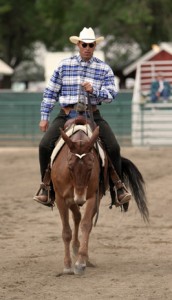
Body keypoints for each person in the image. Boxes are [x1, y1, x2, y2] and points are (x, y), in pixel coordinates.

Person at [33, 27, 131, 207]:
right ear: (78, 44)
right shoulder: (64, 65)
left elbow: (111, 95)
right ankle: (47, 188)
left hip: (92, 114)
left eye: (91, 44)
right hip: (66, 114)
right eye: (84, 44)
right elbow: (50, 92)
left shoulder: (103, 69)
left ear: (95, 46)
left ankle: (118, 188)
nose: (87, 47)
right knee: (44, 145)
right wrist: (44, 116)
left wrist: (95, 90)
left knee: (114, 147)